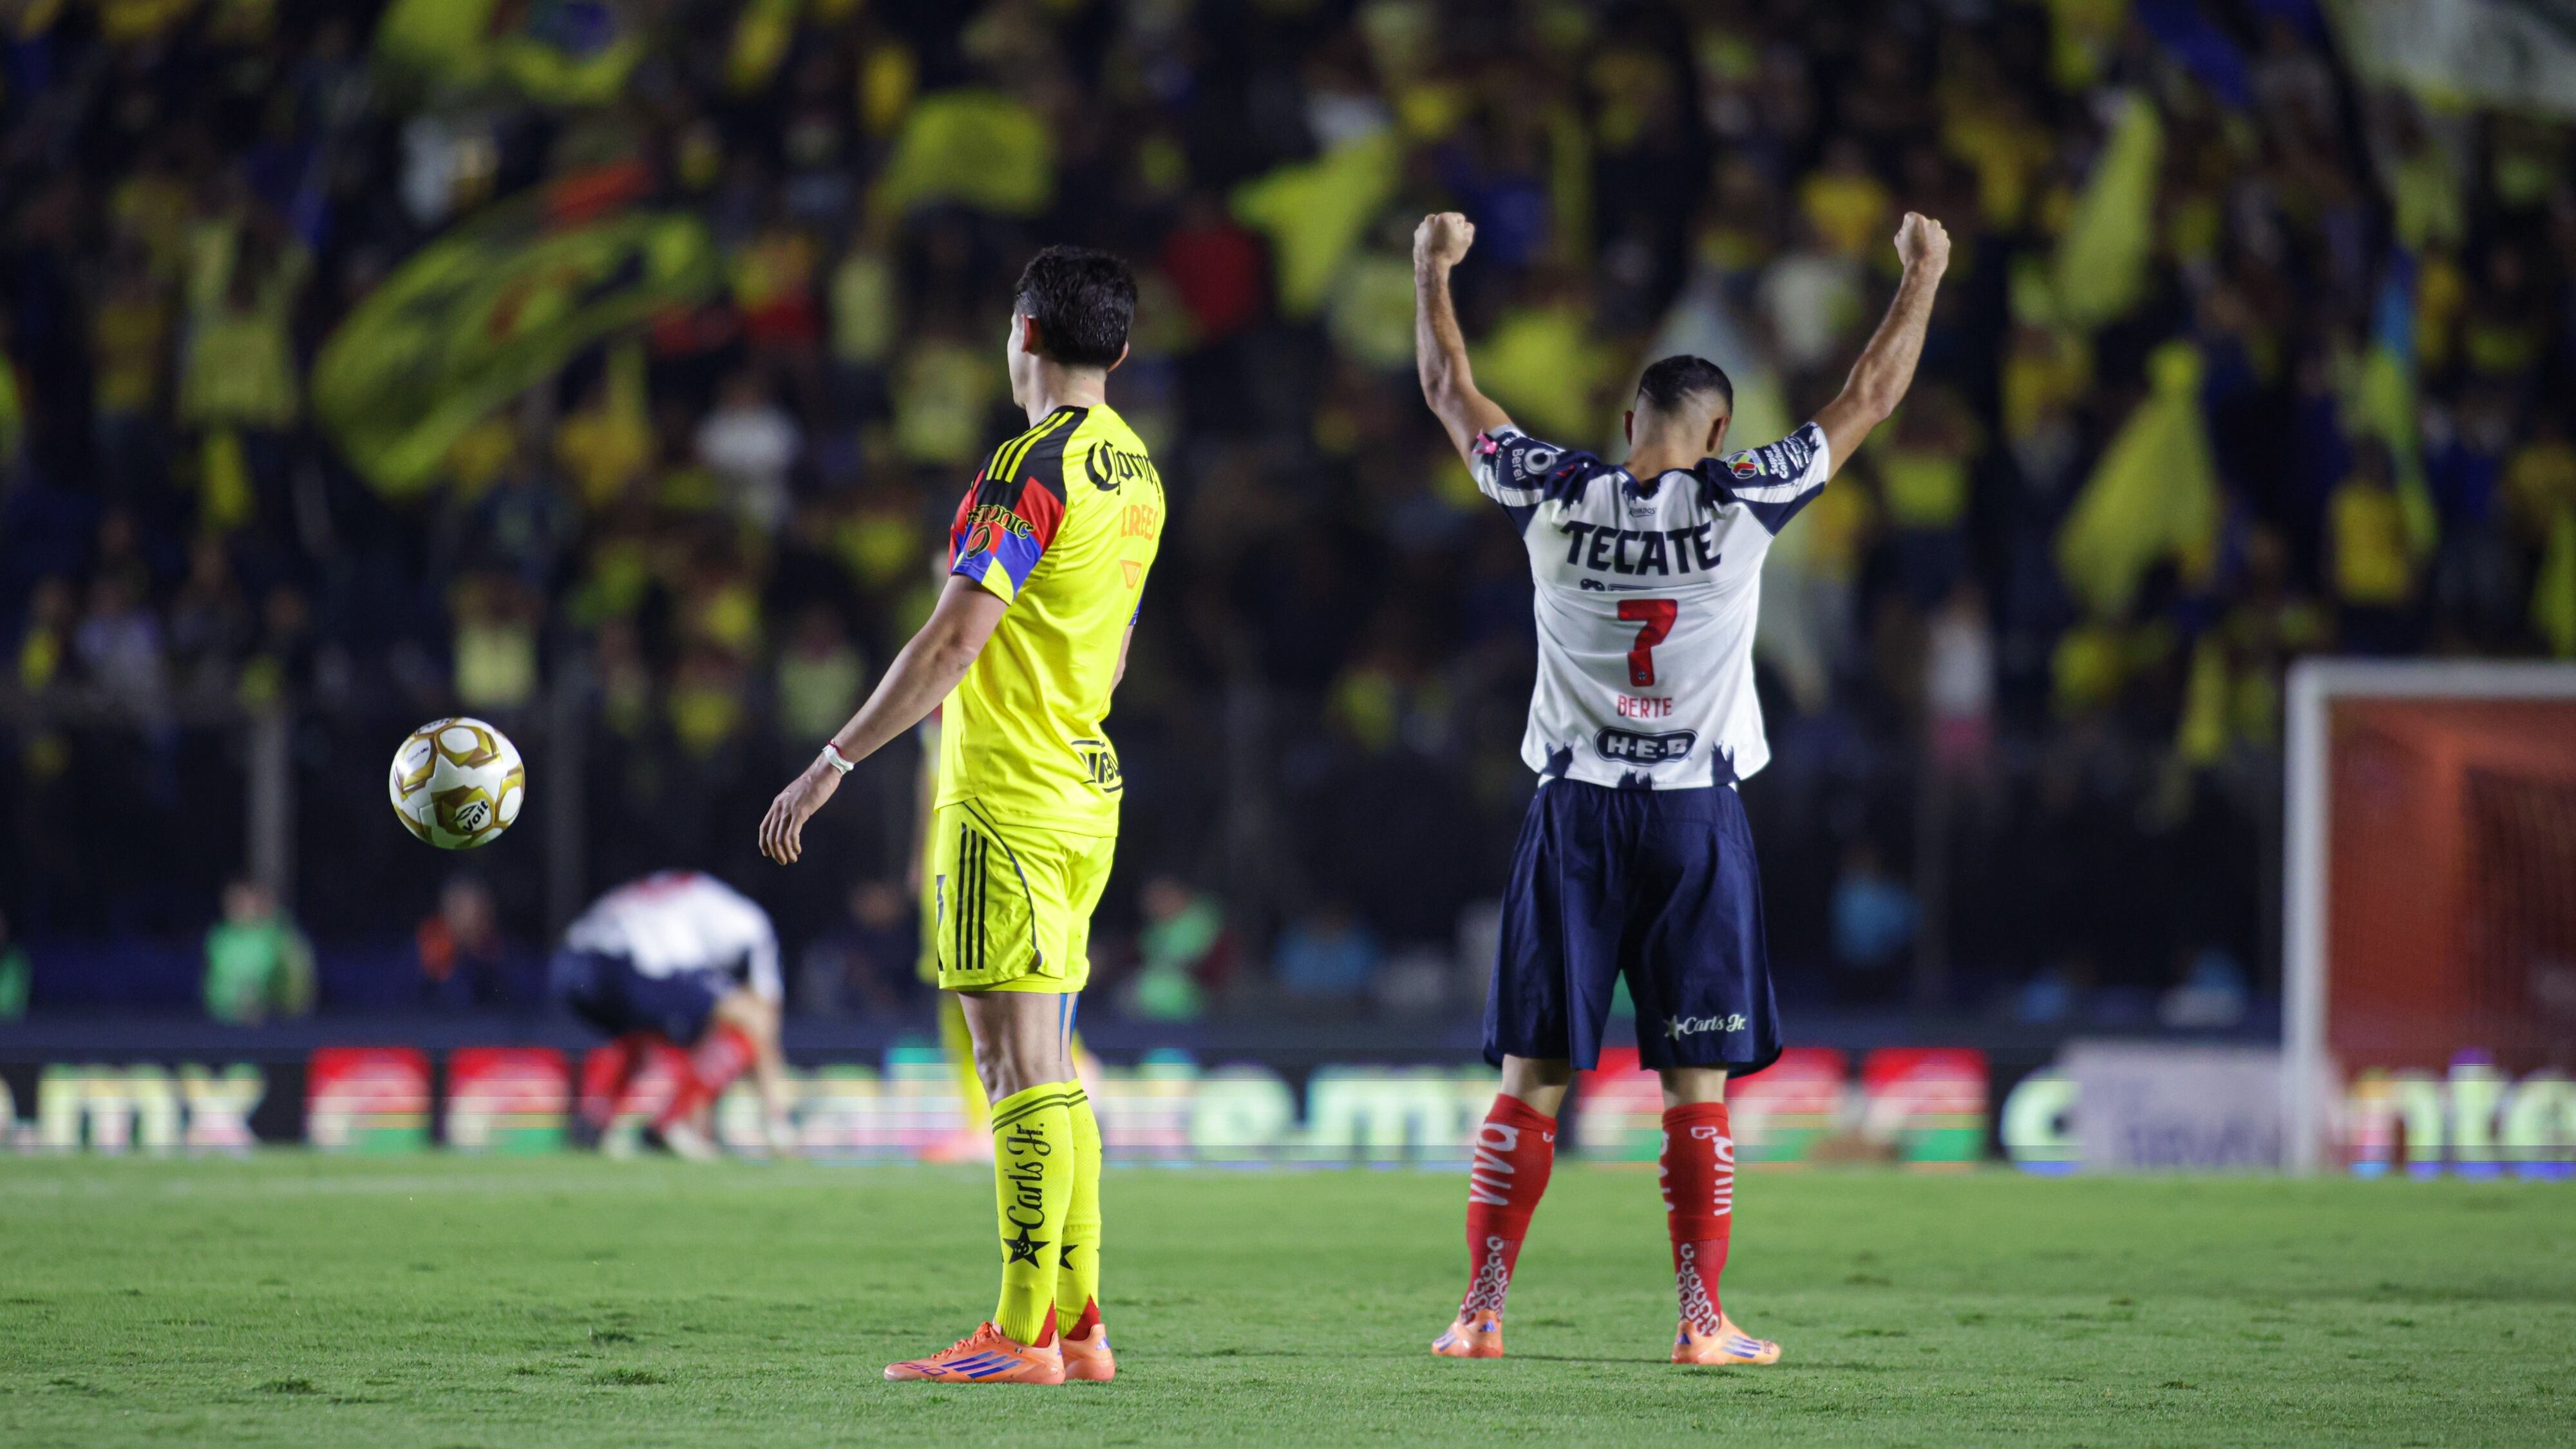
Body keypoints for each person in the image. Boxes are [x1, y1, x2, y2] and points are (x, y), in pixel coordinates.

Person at [1410, 208, 1949, 1365]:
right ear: (1718, 438)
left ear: (1626, 426)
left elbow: (1455, 394)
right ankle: (1703, 1325)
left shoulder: (1556, 496)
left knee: (1530, 1082)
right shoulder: (1740, 502)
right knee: (1693, 1091)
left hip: (1573, 814)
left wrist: (1432, 271)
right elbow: (1868, 397)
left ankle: (1481, 1312)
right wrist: (1925, 272)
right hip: (1693, 821)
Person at [759, 245, 1162, 1386]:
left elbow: (950, 640)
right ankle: (1079, 1328)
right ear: (1119, 350)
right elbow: (1117, 650)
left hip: (1009, 794)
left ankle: (1020, 1335)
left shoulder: (1026, 469)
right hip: (1086, 784)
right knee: (1056, 1060)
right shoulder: (1137, 471)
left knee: (1013, 1065)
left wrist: (833, 760)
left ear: (1022, 334)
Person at [548, 871, 788, 1160]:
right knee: (749, 1021)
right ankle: (672, 1123)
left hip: (571, 966)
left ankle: (594, 1123)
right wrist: (776, 1114)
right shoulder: (752, 924)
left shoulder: (697, 895)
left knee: (643, 1029)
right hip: (636, 959)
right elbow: (764, 1019)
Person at [202, 877, 315, 1025]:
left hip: (274, 1023)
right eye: (233, 901)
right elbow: (213, 988)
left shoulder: (278, 937)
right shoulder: (218, 938)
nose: (238, 907)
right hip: (223, 1024)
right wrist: (235, 1005)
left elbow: (297, 987)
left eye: (243, 901)